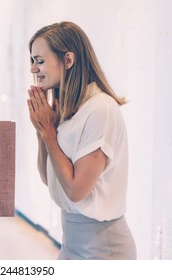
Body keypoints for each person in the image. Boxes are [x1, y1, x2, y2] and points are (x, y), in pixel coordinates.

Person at [26, 21, 137, 259]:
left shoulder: (100, 109)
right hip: (73, 243)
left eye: (40, 60)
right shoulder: (72, 110)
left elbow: (76, 190)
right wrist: (43, 131)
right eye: (32, 61)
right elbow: (50, 179)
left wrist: (48, 133)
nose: (33, 69)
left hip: (103, 249)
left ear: (68, 60)